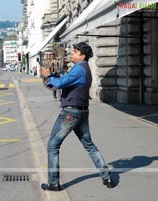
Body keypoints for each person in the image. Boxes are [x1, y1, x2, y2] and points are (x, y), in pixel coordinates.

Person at [40, 42, 115, 191]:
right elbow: (66, 83)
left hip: (70, 113)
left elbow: (60, 83)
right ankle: (107, 177)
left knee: (53, 145)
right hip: (81, 111)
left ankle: (54, 182)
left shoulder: (79, 69)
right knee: (89, 145)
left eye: (74, 52)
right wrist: (53, 76)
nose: (71, 54)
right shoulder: (82, 69)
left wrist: (48, 75)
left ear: (82, 55)